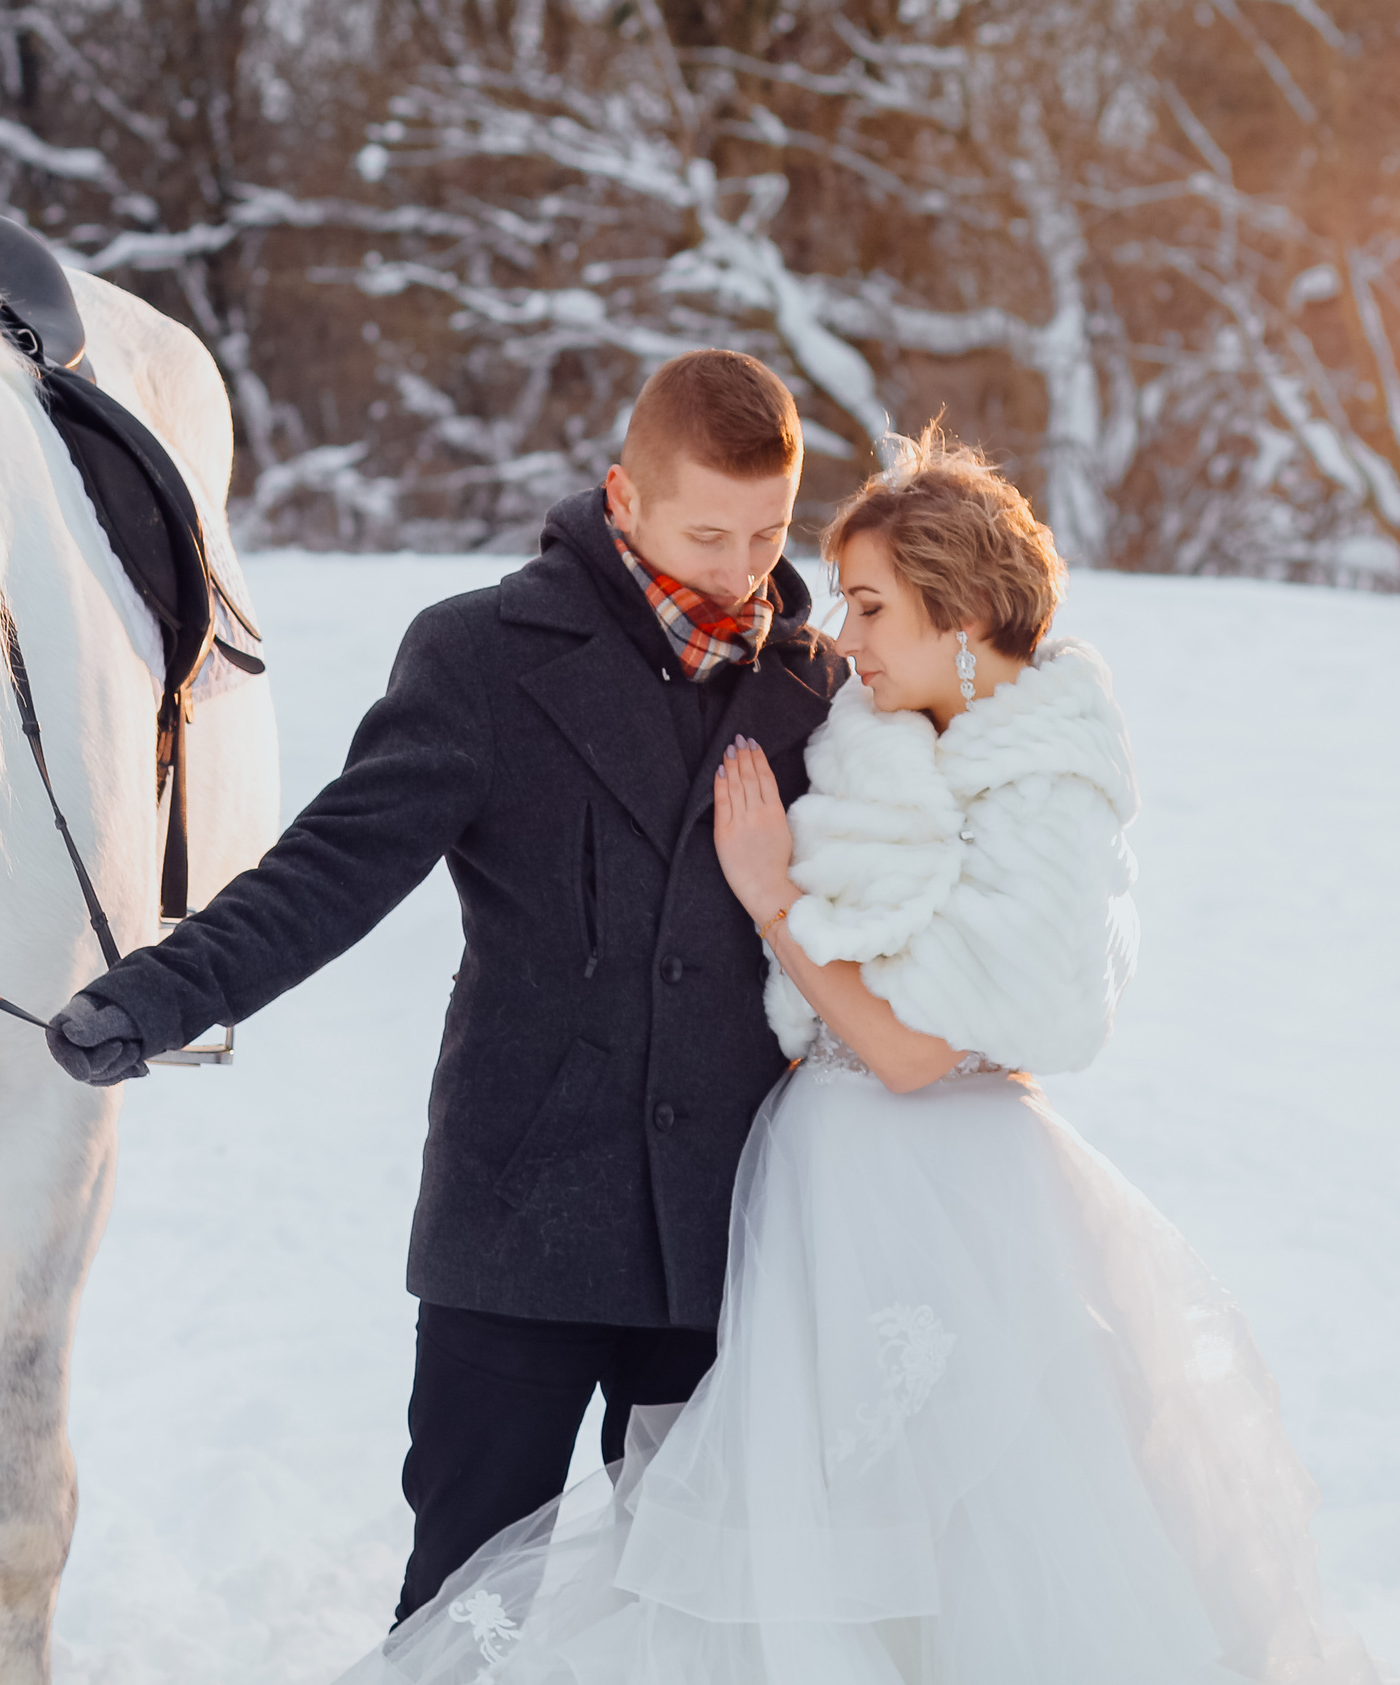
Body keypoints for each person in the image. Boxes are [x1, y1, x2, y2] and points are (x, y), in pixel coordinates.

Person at [335, 427, 1388, 1685]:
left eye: (874, 605)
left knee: (925, 1552)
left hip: (924, 1206)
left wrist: (773, 900)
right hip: (813, 1201)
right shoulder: (884, 739)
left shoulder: (1045, 785)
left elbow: (902, 1049)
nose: (846, 634)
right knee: (785, 1554)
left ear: (961, 608)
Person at [44, 350, 846, 1618]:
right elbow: (335, 864)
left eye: (769, 533)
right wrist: (159, 994)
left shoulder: (816, 690)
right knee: (468, 1608)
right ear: (622, 499)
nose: (744, 571)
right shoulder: (481, 655)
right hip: (522, 1224)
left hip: (727, 1232)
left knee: (698, 1613)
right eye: (708, 533)